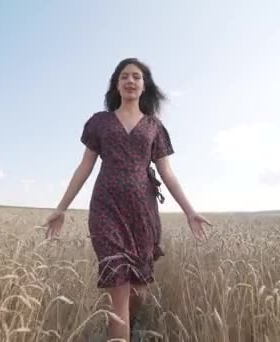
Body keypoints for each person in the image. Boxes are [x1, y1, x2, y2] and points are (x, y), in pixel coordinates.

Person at [42, 57, 212, 341]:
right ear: (117, 86)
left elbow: (166, 172)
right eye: (124, 77)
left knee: (138, 291)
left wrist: (189, 211)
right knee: (119, 292)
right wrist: (61, 208)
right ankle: (121, 330)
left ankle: (129, 326)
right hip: (106, 210)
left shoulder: (154, 127)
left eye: (136, 76)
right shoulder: (100, 122)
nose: (130, 81)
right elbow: (85, 166)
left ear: (144, 86)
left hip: (143, 213)